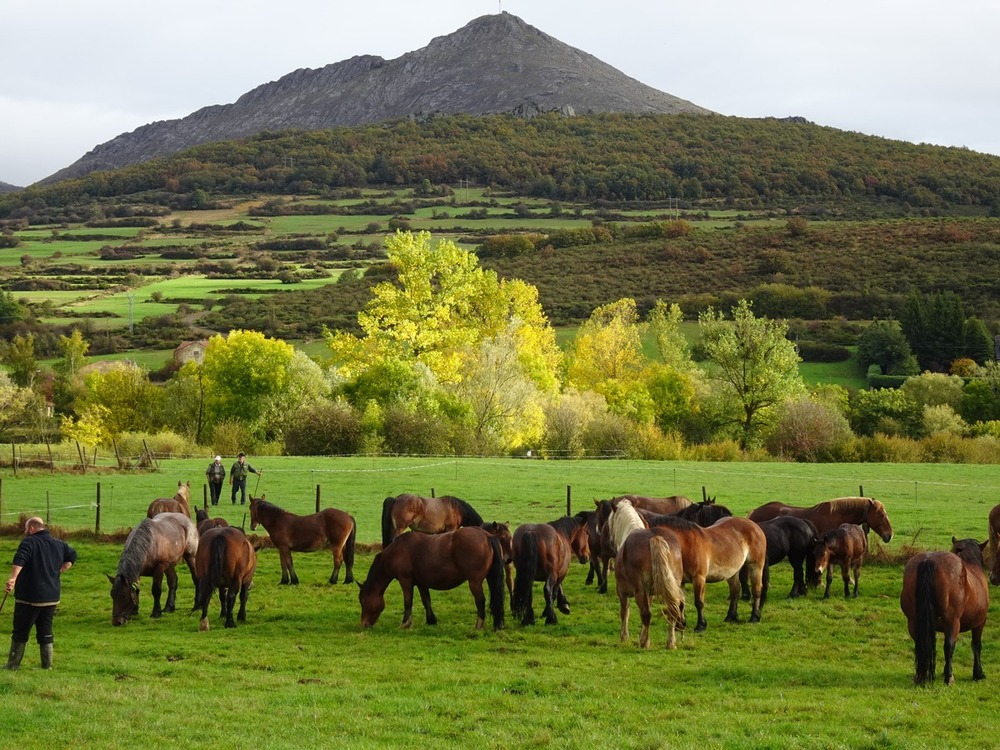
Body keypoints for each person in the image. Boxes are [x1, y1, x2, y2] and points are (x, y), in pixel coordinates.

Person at [5, 517, 77, 670]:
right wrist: (62, 569)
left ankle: (12, 665)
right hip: (51, 597)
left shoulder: (29, 542)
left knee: (20, 631)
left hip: (29, 596)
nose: (25, 532)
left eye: (26, 529)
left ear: (31, 528)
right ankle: (47, 666)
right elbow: (72, 556)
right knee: (45, 631)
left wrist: (12, 578)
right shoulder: (58, 543)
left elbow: (20, 559)